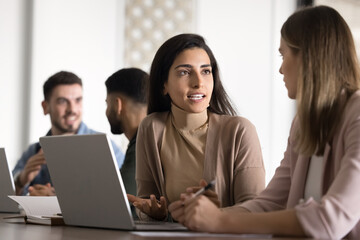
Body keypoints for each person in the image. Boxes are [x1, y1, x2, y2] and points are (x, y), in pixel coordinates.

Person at [170, 6, 360, 239]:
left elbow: (330, 220)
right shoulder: (303, 124)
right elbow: (270, 203)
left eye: (283, 55)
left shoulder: (357, 115)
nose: (280, 68)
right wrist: (203, 216)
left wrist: (219, 220)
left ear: (309, 57)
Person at [127, 33, 265, 221]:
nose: (199, 82)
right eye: (185, 72)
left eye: (206, 71)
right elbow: (146, 201)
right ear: (163, 85)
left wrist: (212, 215)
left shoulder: (239, 131)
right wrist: (154, 213)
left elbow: (255, 208)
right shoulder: (151, 128)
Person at [12, 71, 125, 196]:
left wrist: (55, 200)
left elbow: (121, 199)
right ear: (45, 107)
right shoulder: (33, 151)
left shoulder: (107, 148)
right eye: (62, 101)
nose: (72, 109)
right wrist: (21, 181)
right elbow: (5, 199)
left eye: (78, 100)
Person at [105, 67, 148, 197]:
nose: (106, 111)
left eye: (107, 103)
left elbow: (120, 202)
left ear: (118, 105)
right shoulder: (153, 135)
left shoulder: (143, 142)